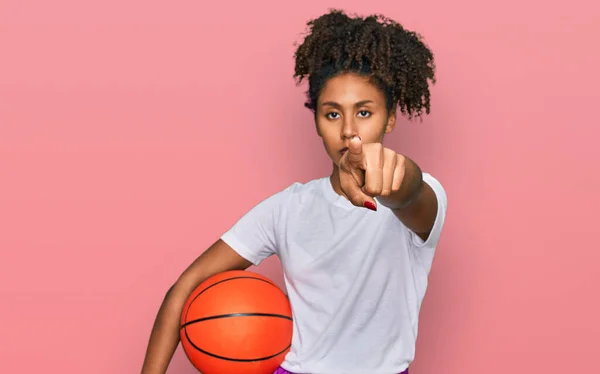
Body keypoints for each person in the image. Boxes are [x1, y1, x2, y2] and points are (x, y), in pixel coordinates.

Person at [141, 9, 447, 374]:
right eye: (332, 114)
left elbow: (408, 192)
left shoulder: (422, 197)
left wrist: (393, 179)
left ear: (390, 117)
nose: (349, 131)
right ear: (316, 121)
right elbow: (186, 286)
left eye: (364, 113)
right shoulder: (287, 209)